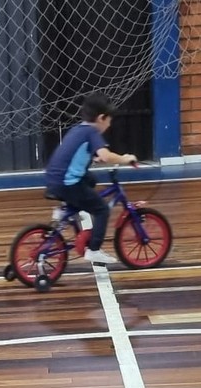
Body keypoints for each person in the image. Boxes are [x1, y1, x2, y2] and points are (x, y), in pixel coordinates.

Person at [43, 93, 138, 268]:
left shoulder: (79, 129)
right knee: (101, 209)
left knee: (91, 180)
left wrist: (95, 158)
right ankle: (94, 249)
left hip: (55, 179)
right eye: (109, 121)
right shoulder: (92, 132)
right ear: (101, 118)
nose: (109, 125)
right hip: (68, 183)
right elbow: (106, 155)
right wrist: (125, 159)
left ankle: (66, 209)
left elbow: (76, 154)